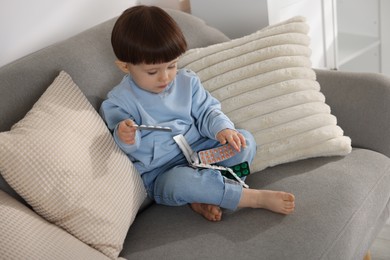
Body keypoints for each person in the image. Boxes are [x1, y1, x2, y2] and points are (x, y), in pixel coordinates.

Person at [100, 5, 295, 221]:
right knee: (181, 183)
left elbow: (207, 111)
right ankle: (250, 197)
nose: (165, 77)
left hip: (201, 153)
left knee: (244, 141)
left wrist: (223, 129)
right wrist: (125, 136)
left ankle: (207, 194)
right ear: (125, 67)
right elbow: (121, 139)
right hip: (164, 172)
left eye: (172, 65)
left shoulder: (187, 82)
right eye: (153, 72)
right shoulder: (119, 101)